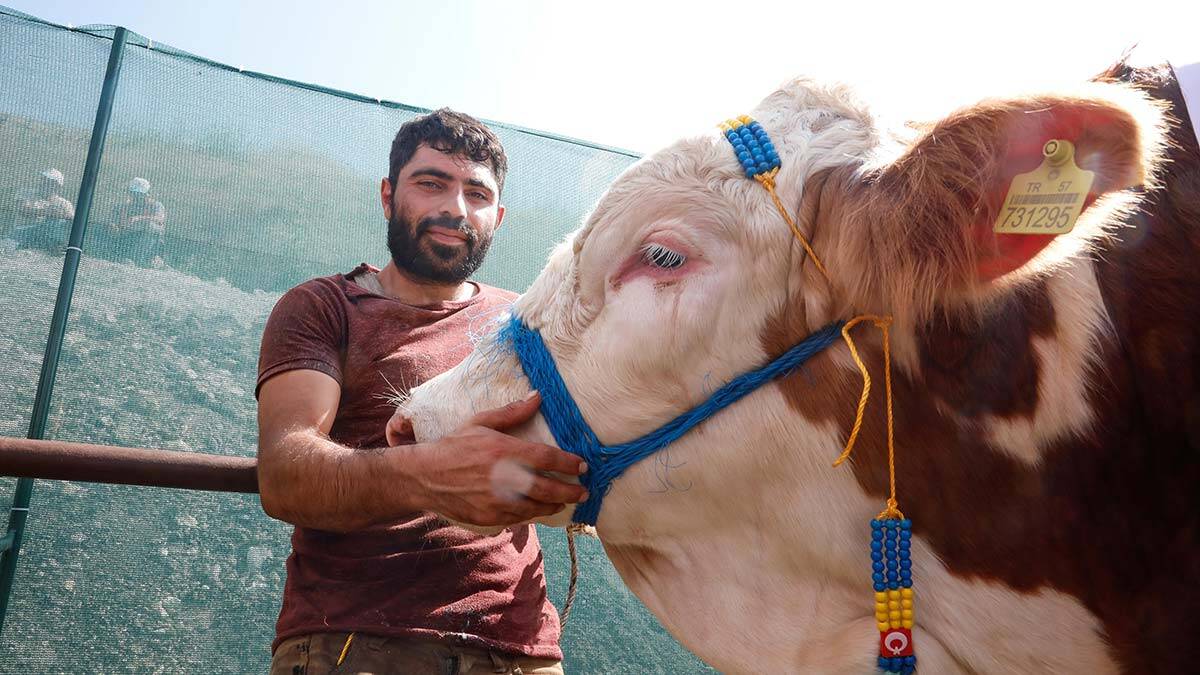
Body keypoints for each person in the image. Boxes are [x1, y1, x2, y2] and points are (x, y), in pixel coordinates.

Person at [255, 109, 588, 675]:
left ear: (498, 217)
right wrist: (432, 471)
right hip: (359, 641)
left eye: (476, 194)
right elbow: (285, 473)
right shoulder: (323, 307)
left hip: (523, 649)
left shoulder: (527, 322)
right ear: (388, 196)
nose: (455, 209)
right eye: (431, 183)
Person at [11, 168, 74, 252]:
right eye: (43, 179)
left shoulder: (64, 204)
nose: (43, 183)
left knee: (59, 222)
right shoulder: (26, 193)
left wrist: (60, 215)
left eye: (49, 181)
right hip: (22, 233)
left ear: (57, 186)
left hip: (48, 237)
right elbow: (23, 210)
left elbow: (72, 220)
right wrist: (47, 212)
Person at [108, 177, 166, 265]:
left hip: (150, 239)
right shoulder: (125, 206)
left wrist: (138, 218)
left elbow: (160, 219)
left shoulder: (156, 205)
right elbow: (115, 221)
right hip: (129, 237)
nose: (136, 198)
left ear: (147, 194)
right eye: (133, 194)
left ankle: (136, 258)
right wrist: (114, 226)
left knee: (151, 226)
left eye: (139, 195)